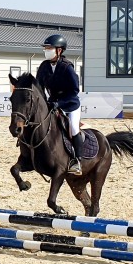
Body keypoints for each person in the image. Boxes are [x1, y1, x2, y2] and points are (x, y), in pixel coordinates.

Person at [36, 34, 83, 175]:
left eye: (50, 48)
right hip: (53, 104)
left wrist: (60, 103)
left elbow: (74, 90)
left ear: (59, 50)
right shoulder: (44, 66)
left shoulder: (67, 67)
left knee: (73, 128)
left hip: (70, 105)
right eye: (45, 48)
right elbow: (39, 87)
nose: (46, 50)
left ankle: (77, 160)